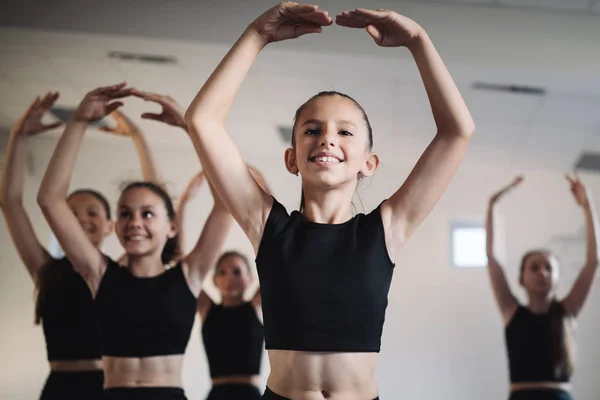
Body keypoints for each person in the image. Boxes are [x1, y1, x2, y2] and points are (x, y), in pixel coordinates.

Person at [184, 3, 475, 399]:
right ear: (292, 159)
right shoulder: (268, 226)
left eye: (345, 132)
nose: (327, 139)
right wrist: (257, 35)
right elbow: (202, 120)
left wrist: (418, 41)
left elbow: (457, 131)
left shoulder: (384, 230)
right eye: (312, 129)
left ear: (368, 163)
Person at [37, 83, 232, 400]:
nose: (135, 223)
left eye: (147, 214)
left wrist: (189, 126)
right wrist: (77, 122)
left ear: (171, 227)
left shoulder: (189, 274)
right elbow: (49, 200)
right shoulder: (98, 274)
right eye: (125, 214)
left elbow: (226, 202)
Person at [0, 90, 162, 399]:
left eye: (92, 213)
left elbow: (156, 201)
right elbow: (10, 202)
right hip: (59, 388)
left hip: (109, 387)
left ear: (111, 226)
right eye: (71, 212)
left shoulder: (118, 272)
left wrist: (138, 137)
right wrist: (18, 137)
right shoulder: (45, 268)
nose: (81, 219)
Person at [486, 175, 599, 400]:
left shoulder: (567, 311)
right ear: (521, 279)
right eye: (534, 268)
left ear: (557, 278)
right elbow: (492, 258)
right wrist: (492, 205)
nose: (542, 273)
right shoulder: (512, 312)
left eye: (548, 268)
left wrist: (587, 205)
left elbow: (593, 261)